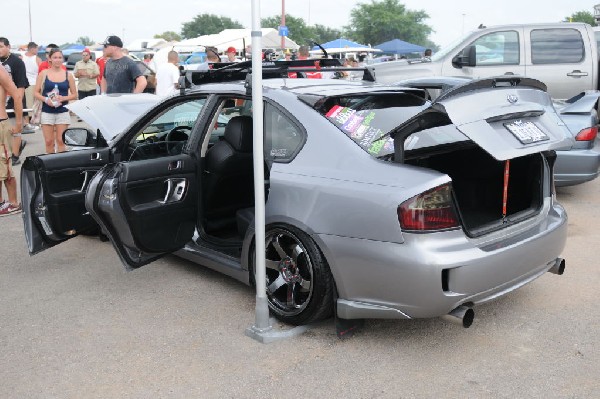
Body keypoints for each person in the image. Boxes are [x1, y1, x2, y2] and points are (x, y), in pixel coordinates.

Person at [33, 48, 77, 154]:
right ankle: (49, 165)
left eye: (60, 57)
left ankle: (59, 166)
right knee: (49, 141)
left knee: (61, 140)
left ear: (63, 59)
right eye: (55, 57)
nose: (57, 60)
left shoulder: (68, 75)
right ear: (50, 59)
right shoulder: (43, 74)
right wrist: (46, 99)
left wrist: (64, 98)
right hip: (46, 111)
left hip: (62, 111)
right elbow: (36, 92)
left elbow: (75, 94)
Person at [0, 37, 28, 166]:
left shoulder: (17, 62)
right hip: (2, 105)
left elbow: (21, 86)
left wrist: (19, 106)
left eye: (1, 47)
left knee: (15, 131)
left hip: (14, 102)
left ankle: (15, 155)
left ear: (8, 46)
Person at [0, 63, 23, 216]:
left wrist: (20, 122)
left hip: (0, 123)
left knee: (4, 163)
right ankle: (2, 203)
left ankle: (13, 203)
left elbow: (16, 94)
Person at [22, 42, 41, 132]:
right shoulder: (36, 59)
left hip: (28, 83)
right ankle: (28, 122)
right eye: (37, 49)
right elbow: (40, 72)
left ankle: (30, 121)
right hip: (31, 83)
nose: (37, 50)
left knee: (31, 103)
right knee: (31, 104)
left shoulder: (22, 57)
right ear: (32, 49)